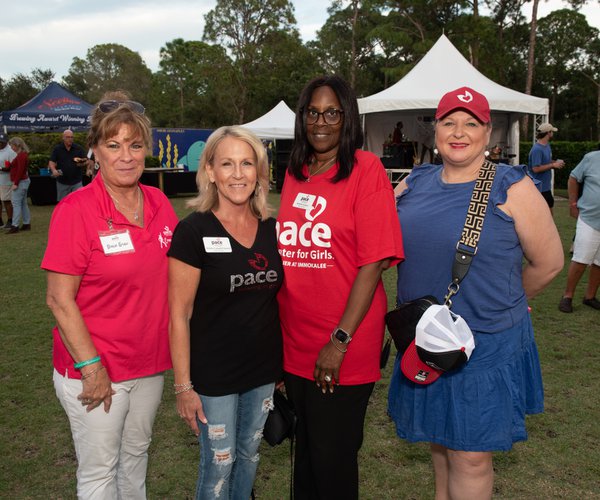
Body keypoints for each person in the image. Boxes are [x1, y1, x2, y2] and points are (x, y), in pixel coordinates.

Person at [388, 86, 564, 499]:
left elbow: (550, 263)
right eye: (449, 122)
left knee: (470, 456)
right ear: (435, 132)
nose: (459, 131)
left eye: (471, 123)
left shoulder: (512, 186)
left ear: (489, 134)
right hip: (426, 340)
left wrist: (505, 301)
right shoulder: (414, 182)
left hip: (485, 344)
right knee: (440, 440)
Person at [41, 91, 178, 499]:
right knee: (100, 473)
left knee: (136, 456)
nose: (126, 156)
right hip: (97, 369)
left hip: (149, 364)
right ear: (94, 151)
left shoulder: (159, 202)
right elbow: (59, 300)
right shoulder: (76, 210)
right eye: (113, 145)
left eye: (135, 145)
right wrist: (92, 368)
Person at [276, 75, 404, 499]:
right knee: (306, 455)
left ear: (347, 118)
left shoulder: (365, 170)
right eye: (313, 112)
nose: (321, 122)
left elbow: (373, 264)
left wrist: (340, 339)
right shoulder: (296, 172)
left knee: (333, 460)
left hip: (343, 341)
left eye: (332, 112)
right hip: (295, 342)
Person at [168, 126, 283, 499]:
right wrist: (184, 386)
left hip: (262, 371)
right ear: (210, 172)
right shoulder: (192, 231)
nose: (238, 174)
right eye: (227, 164)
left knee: (249, 454)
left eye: (247, 163)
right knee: (219, 461)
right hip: (213, 375)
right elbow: (179, 314)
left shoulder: (272, 228)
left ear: (259, 172)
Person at [558, 148, 600, 313]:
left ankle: (590, 297)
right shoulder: (591, 158)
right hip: (589, 219)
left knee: (599, 263)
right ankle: (567, 296)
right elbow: (574, 178)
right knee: (581, 260)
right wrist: (572, 204)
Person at [527, 123, 565, 214]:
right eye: (552, 131)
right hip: (538, 188)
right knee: (544, 215)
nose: (553, 133)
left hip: (545, 187)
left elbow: (546, 161)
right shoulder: (537, 149)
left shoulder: (547, 146)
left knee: (549, 212)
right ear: (548, 133)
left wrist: (555, 162)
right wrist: (553, 165)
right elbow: (535, 168)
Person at [48, 129, 90, 201]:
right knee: (63, 204)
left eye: (71, 137)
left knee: (78, 202)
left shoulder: (78, 148)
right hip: (62, 181)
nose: (70, 139)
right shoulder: (57, 149)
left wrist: (82, 164)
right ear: (63, 138)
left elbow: (87, 160)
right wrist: (54, 170)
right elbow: (51, 162)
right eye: (68, 137)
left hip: (76, 181)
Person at [6, 137, 31, 234]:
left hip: (20, 182)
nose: (11, 147)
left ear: (17, 145)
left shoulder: (21, 156)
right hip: (23, 181)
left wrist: (15, 183)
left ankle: (15, 225)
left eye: (12, 145)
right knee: (23, 204)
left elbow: (20, 171)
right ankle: (26, 223)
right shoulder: (22, 155)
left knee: (16, 204)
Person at [0, 133, 17, 228]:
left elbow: (14, 167)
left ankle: (10, 220)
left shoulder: (10, 152)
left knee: (6, 201)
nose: (0, 144)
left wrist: (2, 169)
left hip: (6, 181)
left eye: (2, 142)